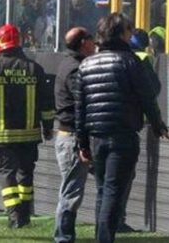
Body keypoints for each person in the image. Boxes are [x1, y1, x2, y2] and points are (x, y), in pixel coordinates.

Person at [75, 13, 169, 243]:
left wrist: (82, 144)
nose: (131, 35)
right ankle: (105, 239)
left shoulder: (86, 64)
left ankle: (101, 237)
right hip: (123, 135)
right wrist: (158, 125)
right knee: (113, 191)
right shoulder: (129, 61)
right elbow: (147, 96)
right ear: (121, 34)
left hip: (97, 136)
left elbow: (81, 109)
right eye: (129, 30)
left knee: (102, 190)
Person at [0, 24, 54, 228]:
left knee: (7, 174)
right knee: (26, 173)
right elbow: (46, 102)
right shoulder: (35, 68)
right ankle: (25, 215)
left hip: (2, 135)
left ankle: (15, 217)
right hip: (29, 134)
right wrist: (48, 126)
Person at [54, 27, 95, 243]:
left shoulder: (70, 64)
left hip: (72, 137)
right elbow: (81, 104)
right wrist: (82, 143)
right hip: (73, 139)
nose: (95, 43)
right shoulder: (75, 69)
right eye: (91, 39)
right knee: (71, 192)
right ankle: (63, 237)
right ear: (83, 43)